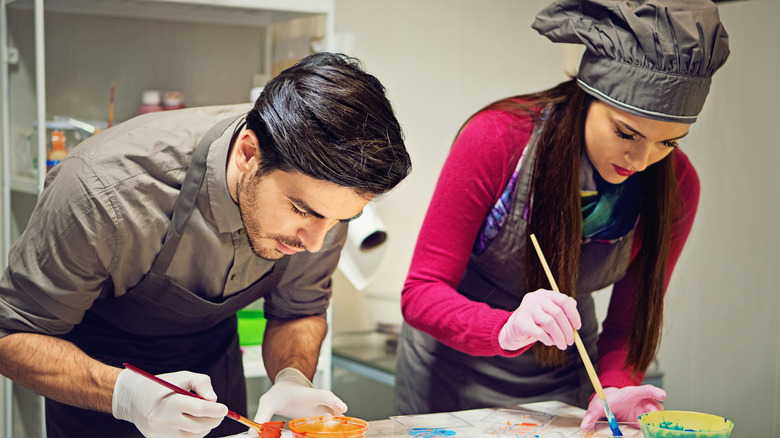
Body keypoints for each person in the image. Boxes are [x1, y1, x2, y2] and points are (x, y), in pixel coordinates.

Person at [0, 52, 411, 438]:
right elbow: (11, 334)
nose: (316, 241)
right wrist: (126, 393)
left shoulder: (326, 201)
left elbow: (298, 312)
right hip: (97, 389)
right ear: (249, 154)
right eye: (302, 211)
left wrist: (292, 375)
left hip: (218, 384)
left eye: (341, 220)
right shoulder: (103, 191)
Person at [395, 0, 729, 431]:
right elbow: (421, 291)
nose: (641, 159)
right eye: (626, 132)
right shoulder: (498, 139)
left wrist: (614, 387)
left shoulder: (677, 185)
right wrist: (505, 328)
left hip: (566, 378)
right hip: (452, 374)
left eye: (668, 142)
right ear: (589, 96)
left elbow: (628, 325)